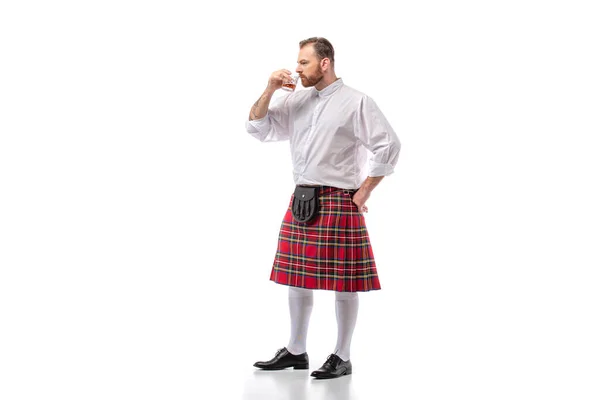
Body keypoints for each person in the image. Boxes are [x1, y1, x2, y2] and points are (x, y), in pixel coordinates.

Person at [245, 37, 401, 379]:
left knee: (345, 283)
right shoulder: (296, 101)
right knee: (296, 279)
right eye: (298, 63)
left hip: (338, 198)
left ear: (325, 62)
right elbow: (257, 127)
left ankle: (342, 356)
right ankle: (296, 351)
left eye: (304, 63)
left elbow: (388, 146)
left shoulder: (356, 102)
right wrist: (270, 88)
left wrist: (364, 192)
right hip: (301, 198)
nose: (297, 69)